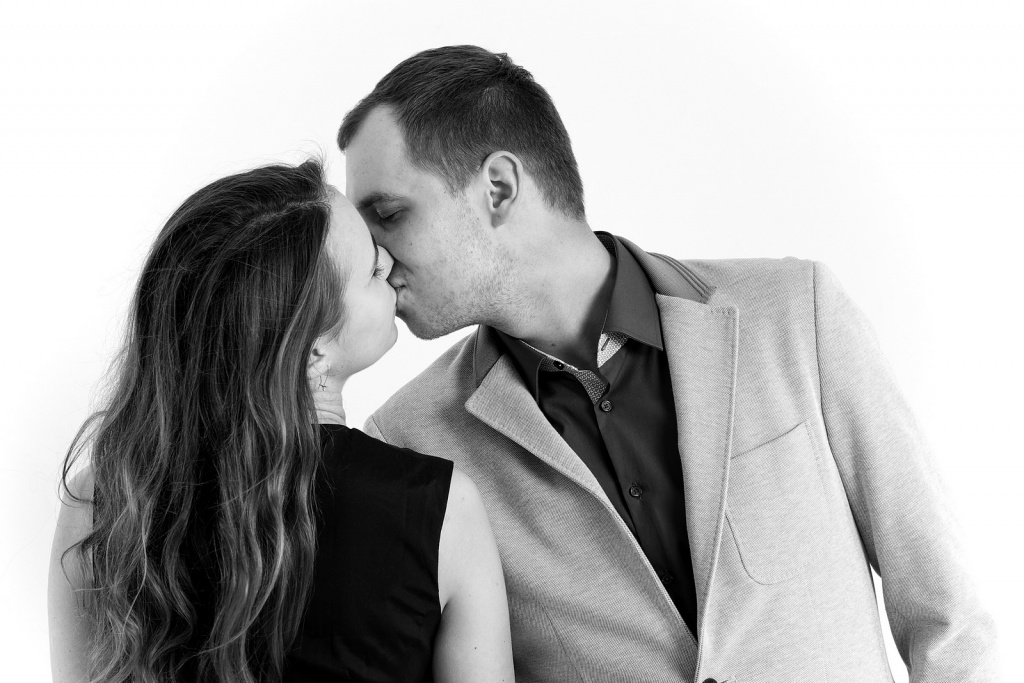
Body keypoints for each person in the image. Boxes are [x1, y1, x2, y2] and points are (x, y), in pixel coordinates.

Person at [336, 45, 998, 682]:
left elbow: (949, 620)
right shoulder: (410, 444)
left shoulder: (798, 313)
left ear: (499, 188)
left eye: (389, 215)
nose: (377, 257)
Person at [47, 159, 515, 683]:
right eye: (369, 269)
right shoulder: (445, 508)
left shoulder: (101, 501)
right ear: (313, 348)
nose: (388, 260)